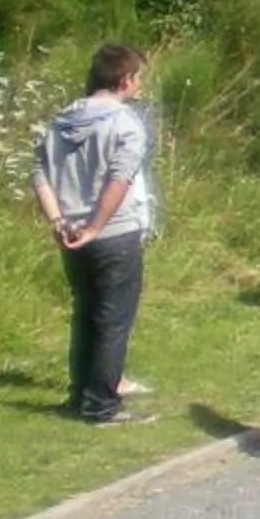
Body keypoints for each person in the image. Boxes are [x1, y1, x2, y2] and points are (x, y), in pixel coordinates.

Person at [30, 43, 158, 426]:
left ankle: (79, 396)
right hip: (114, 235)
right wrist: (96, 226)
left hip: (71, 233)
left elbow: (39, 173)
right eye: (138, 77)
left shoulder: (61, 121)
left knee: (85, 314)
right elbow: (120, 179)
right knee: (113, 320)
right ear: (125, 79)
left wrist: (58, 220)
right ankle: (102, 405)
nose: (140, 85)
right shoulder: (125, 123)